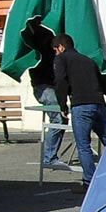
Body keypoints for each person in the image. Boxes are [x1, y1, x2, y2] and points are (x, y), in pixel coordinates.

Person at [52, 32, 106, 191]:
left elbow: (60, 82)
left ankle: (89, 183)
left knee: (83, 145)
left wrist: (62, 105)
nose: (55, 53)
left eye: (55, 49)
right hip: (99, 105)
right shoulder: (88, 61)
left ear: (62, 47)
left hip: (81, 106)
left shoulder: (61, 59)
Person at [22, 19, 69, 172]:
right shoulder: (39, 44)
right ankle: (50, 157)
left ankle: (51, 156)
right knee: (58, 118)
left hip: (48, 86)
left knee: (60, 119)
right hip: (45, 86)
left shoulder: (45, 41)